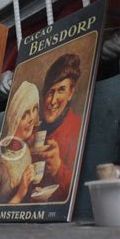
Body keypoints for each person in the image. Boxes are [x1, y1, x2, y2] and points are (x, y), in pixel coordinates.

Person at [34, 53, 82, 202]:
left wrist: (57, 168)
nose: (53, 101)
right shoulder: (35, 131)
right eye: (50, 92)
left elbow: (78, 192)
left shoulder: (77, 129)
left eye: (61, 90)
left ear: (71, 93)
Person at [0, 81, 39, 204]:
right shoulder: (0, 169)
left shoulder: (26, 150)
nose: (32, 118)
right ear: (14, 120)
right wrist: (20, 194)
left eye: (34, 109)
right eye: (25, 114)